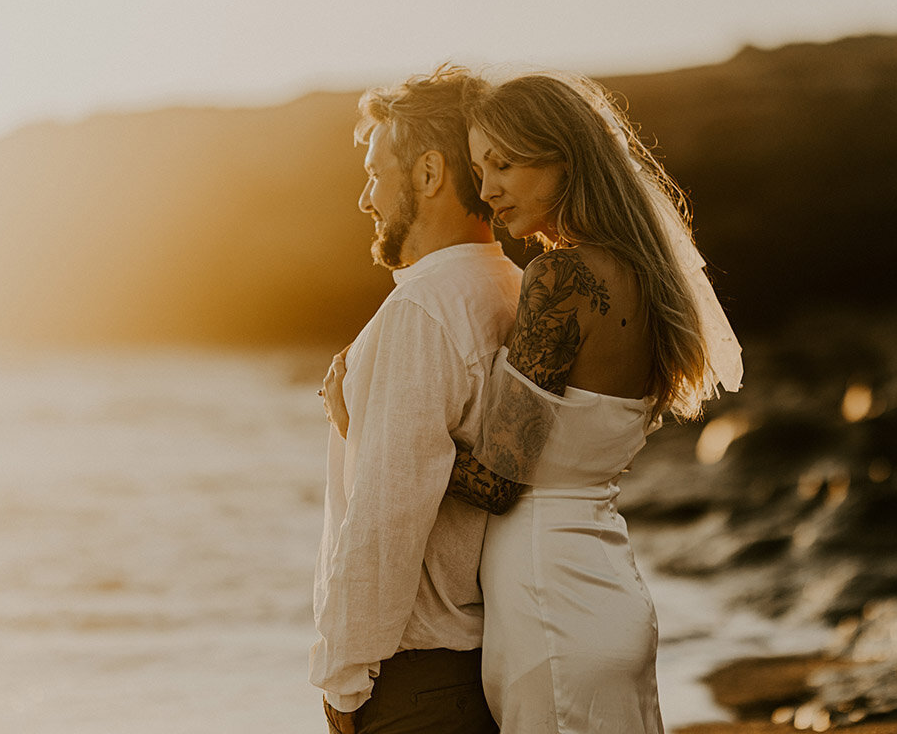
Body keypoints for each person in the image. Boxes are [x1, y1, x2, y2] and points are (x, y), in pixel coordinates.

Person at [443, 72, 744, 733]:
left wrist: (386, 434)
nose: (487, 188)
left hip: (546, 594)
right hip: (608, 585)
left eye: (506, 164)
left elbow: (496, 480)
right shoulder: (647, 279)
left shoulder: (560, 277)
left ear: (565, 159)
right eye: (477, 168)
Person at [309, 65, 523, 734]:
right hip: (478, 666)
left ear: (429, 174)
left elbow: (386, 517)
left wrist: (342, 682)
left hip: (417, 684)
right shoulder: (511, 289)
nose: (366, 199)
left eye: (376, 174)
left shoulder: (423, 310)